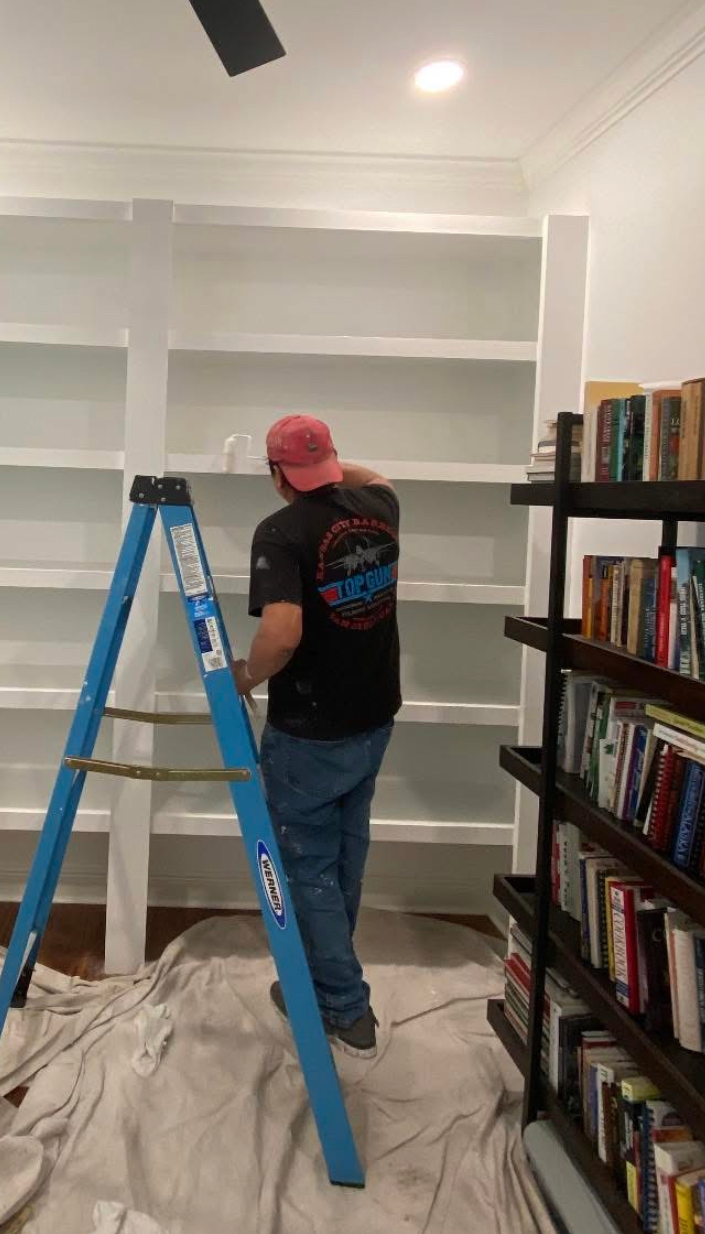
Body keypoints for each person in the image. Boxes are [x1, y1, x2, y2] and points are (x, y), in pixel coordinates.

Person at [232, 414, 400, 1057]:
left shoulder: (280, 531)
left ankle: (342, 1006)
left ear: (277, 475)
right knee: (344, 858)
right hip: (374, 716)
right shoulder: (378, 507)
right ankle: (324, 983)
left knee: (307, 870)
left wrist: (245, 675)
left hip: (312, 730)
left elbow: (282, 634)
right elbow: (377, 476)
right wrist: (332, 466)